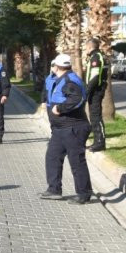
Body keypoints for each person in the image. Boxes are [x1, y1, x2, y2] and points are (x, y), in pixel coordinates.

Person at [41, 54, 94, 204]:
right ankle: (54, 189)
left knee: (76, 161)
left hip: (73, 127)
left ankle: (84, 194)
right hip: (60, 129)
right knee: (52, 157)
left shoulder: (70, 80)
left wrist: (60, 108)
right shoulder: (60, 80)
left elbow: (77, 99)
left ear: (57, 66)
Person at [84, 38, 108, 152]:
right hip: (95, 90)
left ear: (89, 47)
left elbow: (94, 77)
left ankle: (100, 142)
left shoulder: (96, 57)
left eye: (85, 48)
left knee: (96, 116)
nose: (85, 50)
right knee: (93, 116)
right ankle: (96, 141)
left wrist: (87, 91)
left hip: (96, 90)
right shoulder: (95, 57)